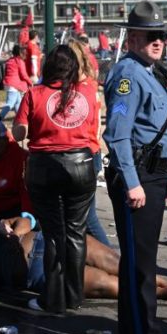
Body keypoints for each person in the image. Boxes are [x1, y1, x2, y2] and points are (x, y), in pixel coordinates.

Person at [103, 1, 167, 334]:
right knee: (141, 265)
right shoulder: (128, 75)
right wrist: (135, 183)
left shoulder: (150, 71)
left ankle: (134, 329)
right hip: (137, 178)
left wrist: (166, 172)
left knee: (139, 260)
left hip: (153, 174)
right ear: (132, 38)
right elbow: (118, 135)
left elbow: (156, 129)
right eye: (151, 36)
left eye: (162, 35)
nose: (159, 41)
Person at [12, 45, 98, 314]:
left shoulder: (34, 94)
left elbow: (18, 134)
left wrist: (28, 127)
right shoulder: (87, 92)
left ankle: (53, 298)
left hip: (45, 167)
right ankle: (74, 296)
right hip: (81, 165)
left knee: (52, 234)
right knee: (76, 232)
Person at [0, 216, 167, 305]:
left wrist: (14, 234)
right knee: (102, 284)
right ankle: (154, 292)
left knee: (112, 261)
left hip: (48, 240)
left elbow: (23, 219)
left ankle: (158, 279)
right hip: (40, 272)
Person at [68, 38, 112, 248]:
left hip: (81, 153)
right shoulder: (91, 85)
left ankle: (113, 261)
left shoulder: (76, 89)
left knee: (87, 216)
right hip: (92, 151)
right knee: (84, 214)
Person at [0, 45, 33, 121]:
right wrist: (30, 82)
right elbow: (23, 75)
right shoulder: (19, 61)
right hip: (14, 85)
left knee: (18, 103)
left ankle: (20, 118)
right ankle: (0, 118)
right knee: (10, 103)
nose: (25, 55)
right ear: (20, 53)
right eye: (24, 54)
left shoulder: (10, 61)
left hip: (9, 84)